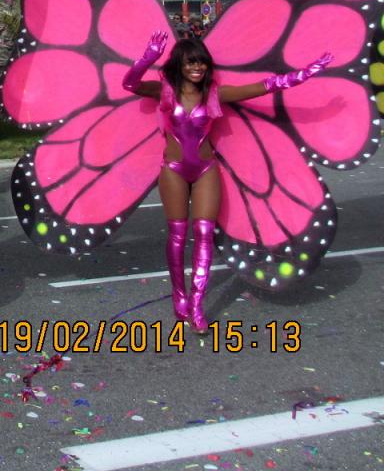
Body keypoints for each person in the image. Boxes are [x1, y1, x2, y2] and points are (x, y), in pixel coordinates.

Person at [122, 32, 330, 332]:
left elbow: (266, 86)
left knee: (204, 236)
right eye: (191, 63)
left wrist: (307, 72)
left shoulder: (215, 95)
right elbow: (129, 84)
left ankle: (196, 306)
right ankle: (179, 297)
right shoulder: (164, 91)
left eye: (202, 63)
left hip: (206, 170)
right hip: (173, 169)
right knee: (178, 238)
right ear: (179, 65)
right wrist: (148, 57)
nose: (198, 68)